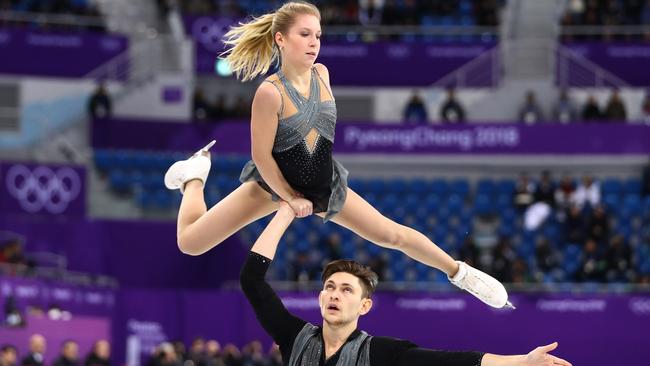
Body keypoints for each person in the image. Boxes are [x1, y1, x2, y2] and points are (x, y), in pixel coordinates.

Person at [164, 1, 511, 309]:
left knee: (391, 235)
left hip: (324, 184)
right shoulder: (269, 93)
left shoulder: (322, 73)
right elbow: (262, 157)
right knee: (191, 244)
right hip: (274, 184)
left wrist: (309, 196)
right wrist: (288, 197)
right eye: (305, 34)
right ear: (281, 39)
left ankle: (462, 274)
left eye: (318, 35)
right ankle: (193, 176)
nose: (314, 42)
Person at [240, 202, 573, 366]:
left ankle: (458, 270)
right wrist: (284, 212)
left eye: (346, 290)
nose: (334, 294)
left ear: (365, 305)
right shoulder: (294, 337)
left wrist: (522, 362)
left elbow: (457, 362)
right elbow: (252, 280)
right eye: (329, 287)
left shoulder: (379, 353)